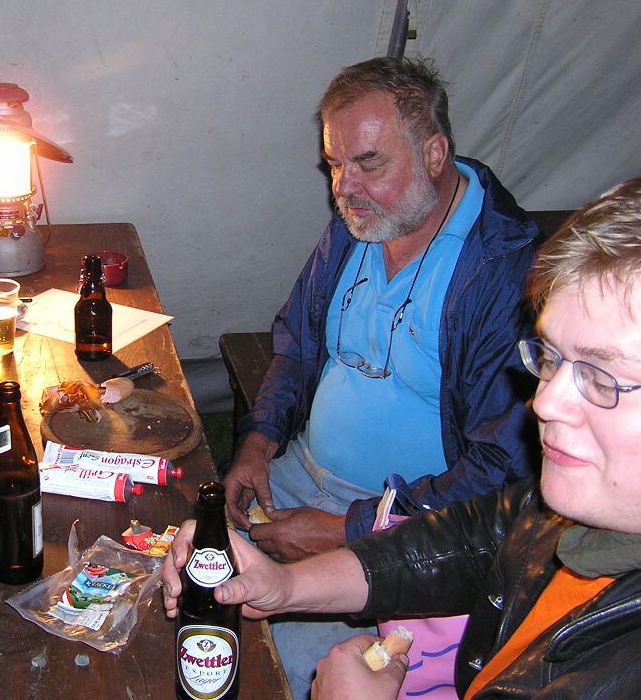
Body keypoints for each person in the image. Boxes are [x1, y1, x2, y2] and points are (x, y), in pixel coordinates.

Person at [165, 178, 641, 699]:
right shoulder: (561, 514)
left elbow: (491, 469)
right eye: (549, 358)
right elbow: (474, 538)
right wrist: (286, 586)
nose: (543, 402)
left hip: (385, 504)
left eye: (601, 377)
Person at [222, 56, 541, 694]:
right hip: (298, 474)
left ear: (434, 154)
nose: (345, 188)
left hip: (408, 526)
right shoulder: (363, 224)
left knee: (270, 670)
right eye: (334, 164)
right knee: (184, 575)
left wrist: (349, 529)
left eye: (369, 163)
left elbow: (501, 468)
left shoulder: (501, 273)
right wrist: (260, 441)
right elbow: (298, 341)